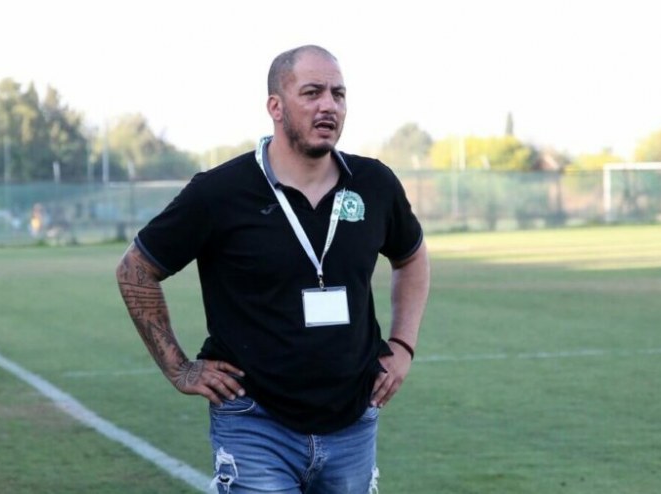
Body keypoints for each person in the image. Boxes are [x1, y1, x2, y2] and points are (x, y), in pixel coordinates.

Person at [116, 44, 430, 494]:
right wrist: (178, 367)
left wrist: (402, 346)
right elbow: (135, 269)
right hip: (254, 421)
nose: (328, 105)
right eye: (312, 92)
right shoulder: (221, 192)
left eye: (338, 94)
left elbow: (412, 256)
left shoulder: (375, 184)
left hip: (353, 421)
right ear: (276, 107)